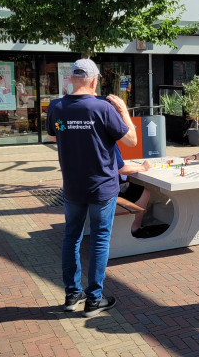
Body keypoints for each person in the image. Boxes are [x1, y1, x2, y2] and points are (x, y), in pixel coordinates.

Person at [46, 59, 137, 318]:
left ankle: (71, 294)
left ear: (71, 79)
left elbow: (54, 135)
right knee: (99, 240)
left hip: (72, 186)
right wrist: (124, 112)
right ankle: (93, 299)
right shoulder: (103, 108)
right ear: (95, 81)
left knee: (71, 237)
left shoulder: (56, 106)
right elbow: (131, 140)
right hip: (102, 187)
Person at [114, 145, 153, 237]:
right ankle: (135, 229)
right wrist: (143, 167)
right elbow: (121, 169)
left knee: (131, 185)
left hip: (84, 186)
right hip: (104, 188)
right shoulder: (108, 141)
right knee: (144, 192)